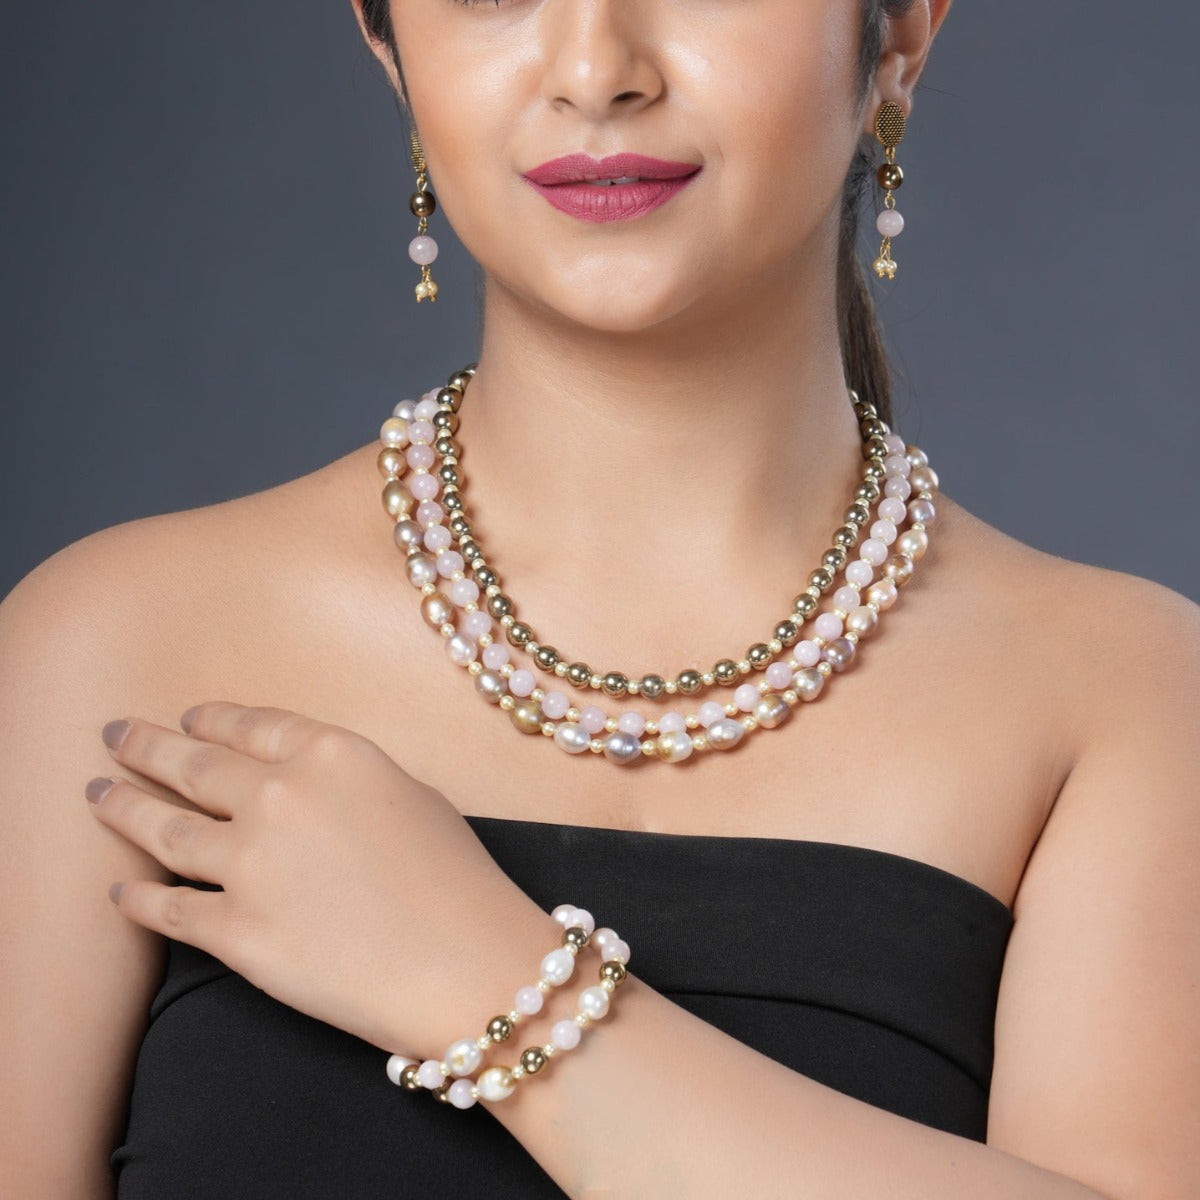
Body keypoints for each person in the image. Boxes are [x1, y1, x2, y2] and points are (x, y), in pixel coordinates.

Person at [2, 0, 1197, 1196]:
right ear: (388, 47)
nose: (595, 70)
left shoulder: (1125, 699)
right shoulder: (112, 649)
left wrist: (489, 985)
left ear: (903, 32)